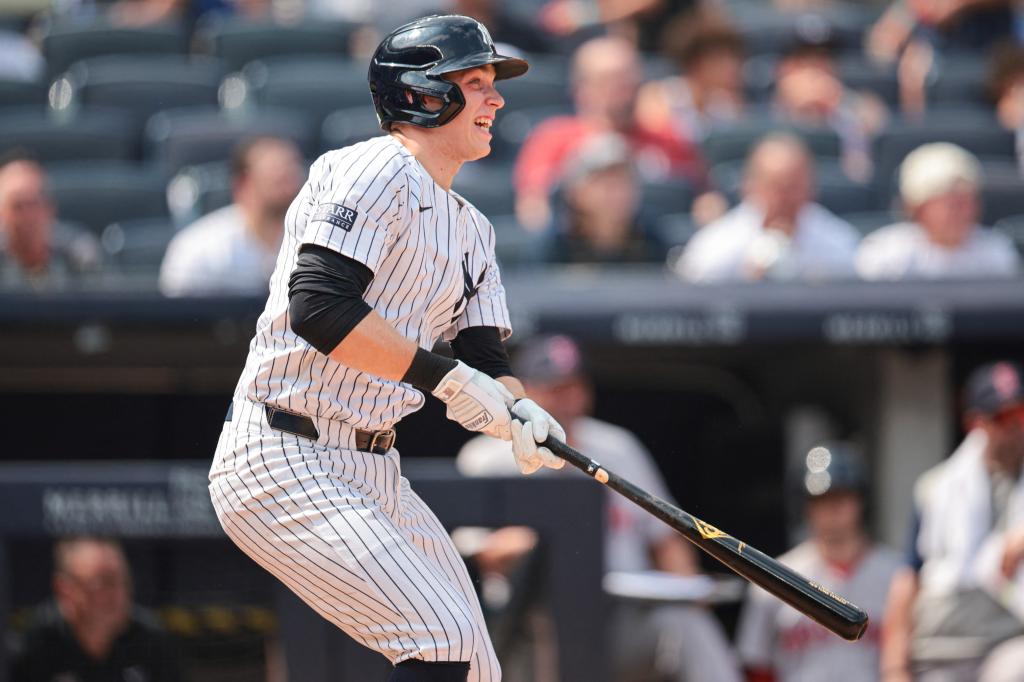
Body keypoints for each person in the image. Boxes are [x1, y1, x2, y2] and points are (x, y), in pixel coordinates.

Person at [208, 14, 572, 682]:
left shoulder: (474, 230)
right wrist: (443, 379)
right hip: (284, 451)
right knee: (442, 640)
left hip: (371, 465)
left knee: (477, 664)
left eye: (494, 85)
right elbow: (320, 307)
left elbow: (486, 362)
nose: (495, 99)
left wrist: (519, 414)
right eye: (476, 82)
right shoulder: (369, 169)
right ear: (423, 94)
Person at [457, 334, 743, 682]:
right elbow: (466, 555)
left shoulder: (618, 447)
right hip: (530, 624)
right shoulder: (487, 456)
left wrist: (688, 589)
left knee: (687, 626)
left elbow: (665, 537)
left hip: (618, 614)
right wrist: (532, 539)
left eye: (576, 386)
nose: (570, 399)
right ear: (526, 390)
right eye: (556, 388)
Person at [880, 361, 1024, 682]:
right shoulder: (936, 488)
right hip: (939, 651)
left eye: (1021, 414)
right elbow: (908, 580)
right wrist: (894, 669)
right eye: (1002, 417)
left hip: (1007, 644)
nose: (1015, 427)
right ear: (976, 423)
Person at [736, 442, 902, 682]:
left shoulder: (898, 576)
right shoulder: (774, 578)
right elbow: (756, 668)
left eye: (842, 497)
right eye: (822, 499)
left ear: (861, 501)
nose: (833, 509)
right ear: (806, 506)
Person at [513, 34, 701, 231]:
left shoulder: (669, 137)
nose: (625, 89)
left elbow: (704, 197)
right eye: (610, 80)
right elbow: (533, 206)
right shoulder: (552, 137)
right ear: (582, 88)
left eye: (630, 78)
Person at [674, 133, 860, 282]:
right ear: (749, 186)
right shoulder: (717, 245)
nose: (785, 198)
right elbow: (692, 288)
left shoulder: (837, 240)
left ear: (811, 187)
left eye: (794, 187)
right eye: (776, 187)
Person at [9, 537, 182, 682]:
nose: (118, 595)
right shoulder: (30, 649)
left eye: (125, 582)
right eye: (104, 583)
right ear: (64, 590)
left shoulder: (152, 642)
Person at [159, 136, 304, 297]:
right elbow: (179, 317)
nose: (289, 186)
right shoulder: (199, 249)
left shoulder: (318, 240)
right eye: (277, 174)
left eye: (292, 172)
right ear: (243, 183)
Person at [856, 143, 1021, 280]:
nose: (961, 211)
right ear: (918, 207)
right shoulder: (884, 254)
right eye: (950, 203)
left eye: (967, 201)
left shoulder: (997, 252)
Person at [541, 133, 669, 264]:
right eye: (602, 182)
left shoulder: (651, 242)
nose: (615, 192)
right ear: (575, 191)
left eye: (623, 180)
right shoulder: (556, 245)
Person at [635, 11, 746, 144]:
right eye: (721, 59)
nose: (733, 66)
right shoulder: (659, 96)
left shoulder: (726, 106)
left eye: (734, 58)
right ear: (696, 63)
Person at [0, 154, 102, 291]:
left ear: (50, 208)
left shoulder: (79, 254)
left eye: (34, 203)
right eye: (17, 206)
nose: (28, 215)